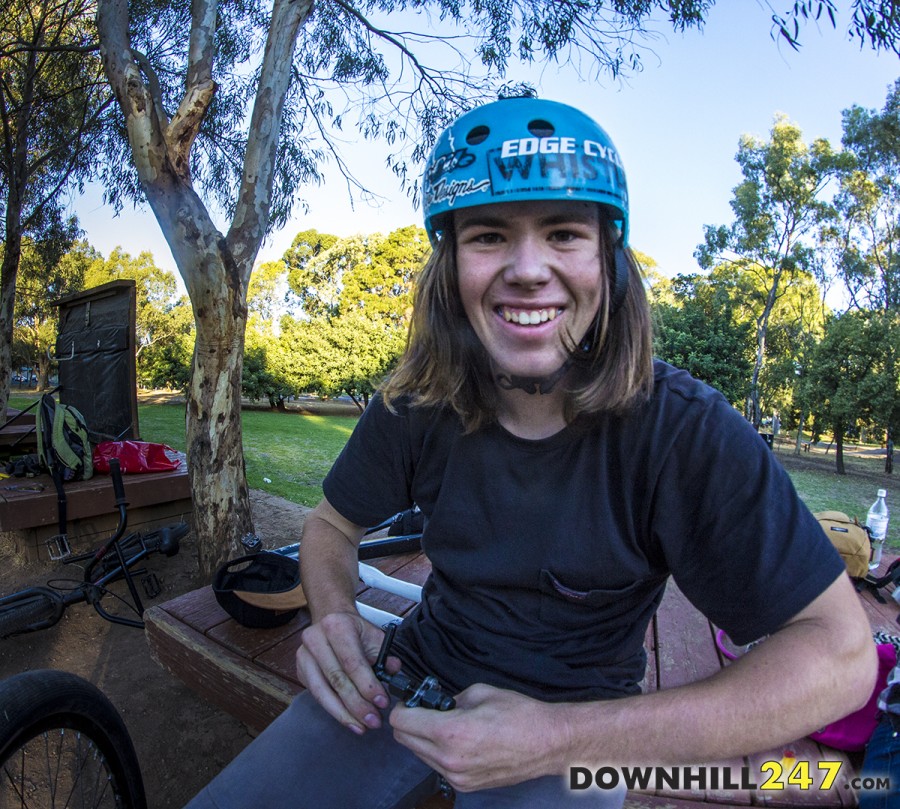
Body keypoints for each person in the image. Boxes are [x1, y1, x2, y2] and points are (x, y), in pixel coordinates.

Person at [186, 96, 876, 809]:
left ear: (608, 258)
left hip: (584, 728)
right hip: (410, 684)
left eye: (564, 233)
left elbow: (842, 656)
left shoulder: (685, 433)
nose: (526, 268)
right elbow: (331, 526)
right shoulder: (420, 399)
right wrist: (333, 613)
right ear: (450, 264)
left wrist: (559, 737)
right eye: (487, 235)